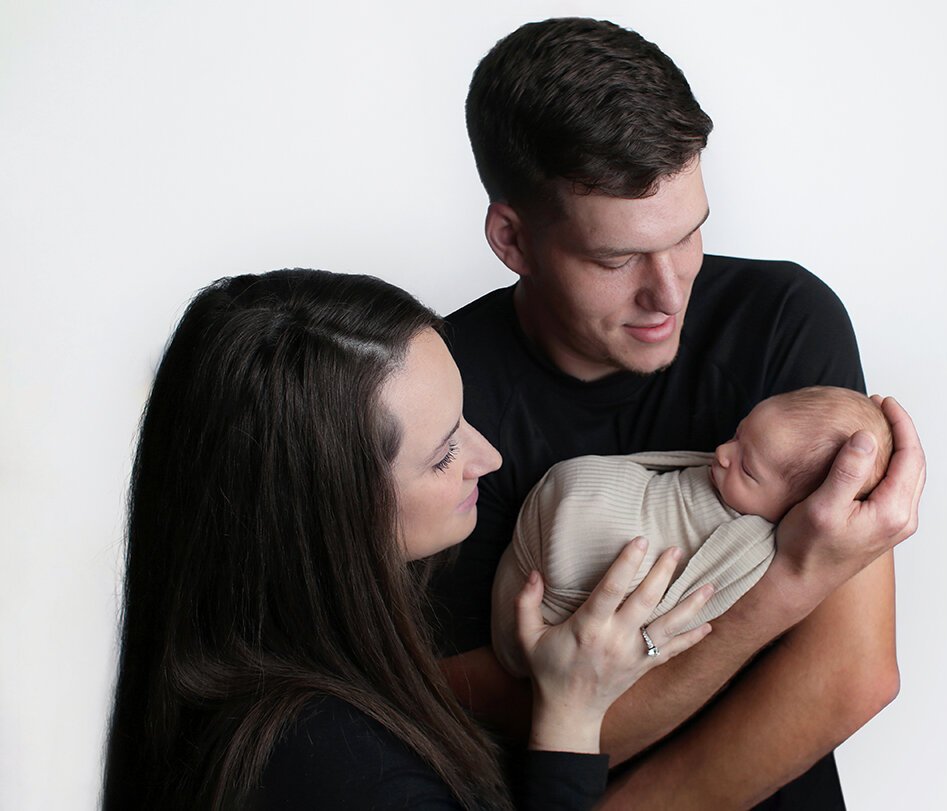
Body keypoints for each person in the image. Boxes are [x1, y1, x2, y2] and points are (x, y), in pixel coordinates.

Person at [430, 17, 927, 809]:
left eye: (691, 233)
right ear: (512, 239)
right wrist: (790, 581)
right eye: (616, 258)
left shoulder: (783, 320)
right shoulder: (438, 392)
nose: (670, 294)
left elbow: (850, 676)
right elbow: (462, 718)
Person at [102, 269, 713, 810]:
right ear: (333, 506)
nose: (489, 457)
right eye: (445, 451)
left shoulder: (261, 669)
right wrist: (572, 715)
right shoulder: (342, 771)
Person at [491, 387, 894, 678]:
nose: (722, 452)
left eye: (747, 468)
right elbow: (657, 469)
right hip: (563, 510)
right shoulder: (727, 475)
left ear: (798, 512)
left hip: (573, 573)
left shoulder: (751, 544)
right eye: (739, 435)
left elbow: (687, 606)